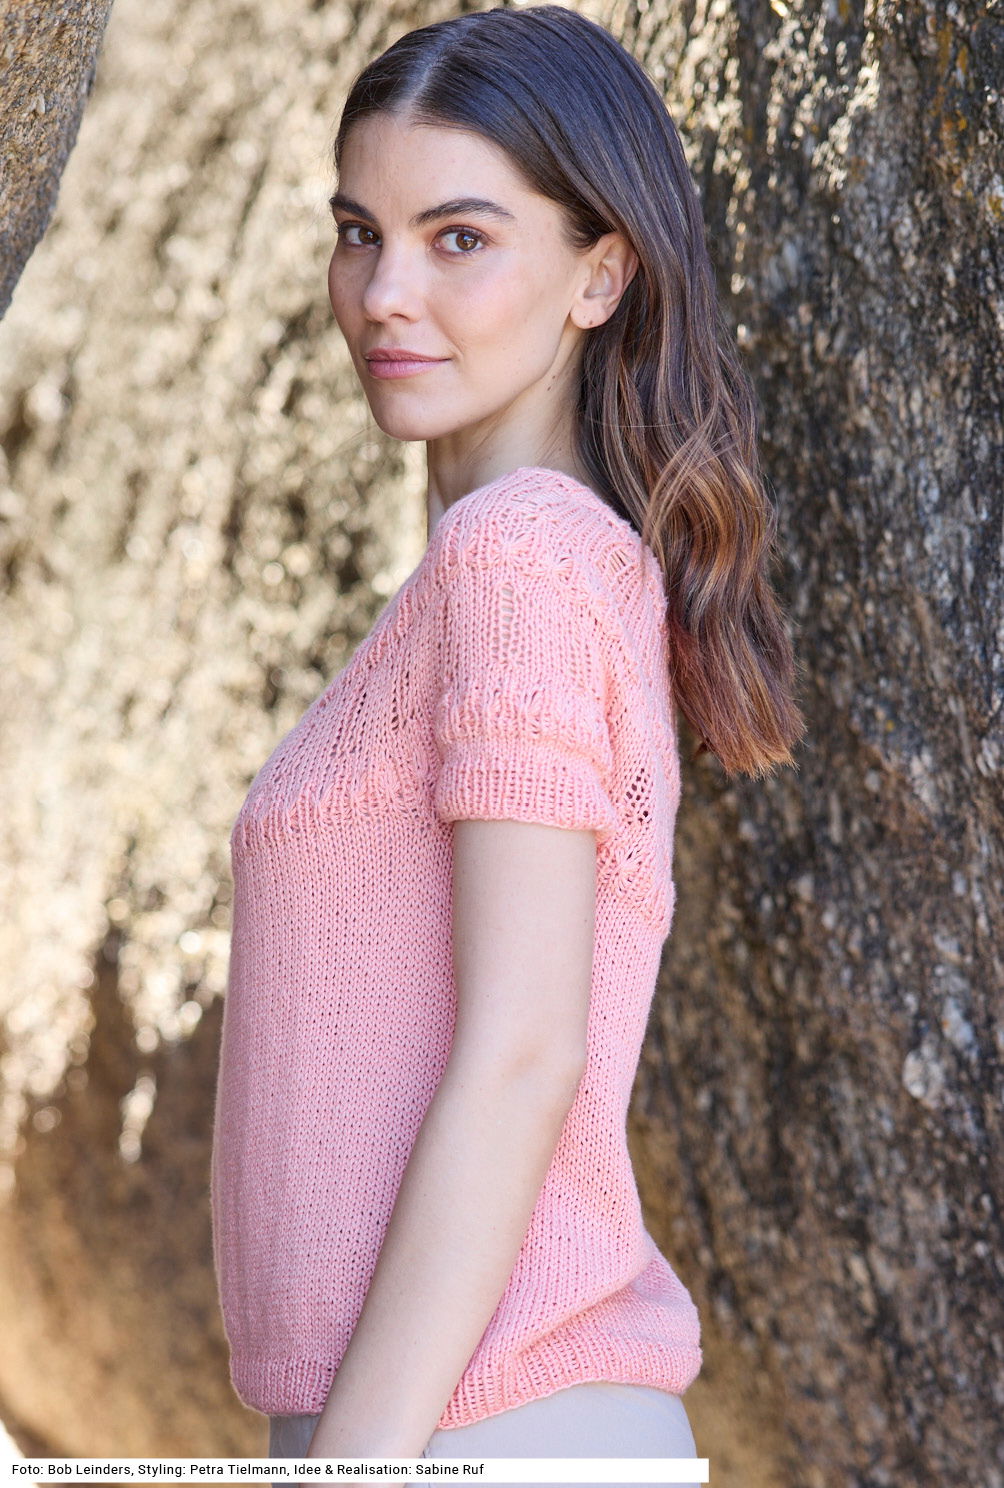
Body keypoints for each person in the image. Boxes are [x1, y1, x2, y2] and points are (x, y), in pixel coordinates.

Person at [208, 6, 805, 1486]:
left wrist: (345, 1470)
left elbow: (526, 1053)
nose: (384, 295)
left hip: (480, 1422)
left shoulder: (522, 554)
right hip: (455, 1423)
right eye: (359, 234)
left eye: (458, 239)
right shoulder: (527, 562)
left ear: (601, 273)